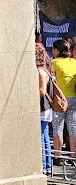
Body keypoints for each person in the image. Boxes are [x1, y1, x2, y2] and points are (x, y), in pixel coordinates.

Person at [52, 39, 76, 160]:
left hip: (60, 100)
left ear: (56, 50)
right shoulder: (74, 62)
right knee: (73, 127)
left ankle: (57, 156)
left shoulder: (54, 62)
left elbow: (52, 80)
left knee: (58, 128)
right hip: (73, 98)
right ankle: (73, 155)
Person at [37, 43, 53, 175]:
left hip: (42, 108)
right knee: (45, 136)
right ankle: (48, 166)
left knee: (40, 138)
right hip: (46, 108)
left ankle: (43, 166)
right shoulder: (46, 68)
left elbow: (41, 91)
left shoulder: (40, 70)